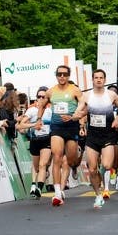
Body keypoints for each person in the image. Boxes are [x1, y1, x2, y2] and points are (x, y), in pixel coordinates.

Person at [84, 69, 118, 209]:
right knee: (92, 169)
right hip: (92, 136)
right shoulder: (86, 95)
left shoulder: (111, 94)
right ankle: (98, 195)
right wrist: (75, 116)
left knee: (107, 165)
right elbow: (80, 109)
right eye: (96, 77)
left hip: (108, 134)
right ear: (92, 80)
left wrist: (116, 120)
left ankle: (104, 179)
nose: (98, 80)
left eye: (101, 78)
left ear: (104, 80)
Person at [46, 65, 87, 207]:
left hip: (71, 127)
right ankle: (57, 192)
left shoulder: (74, 90)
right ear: (56, 75)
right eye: (59, 74)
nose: (62, 77)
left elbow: (84, 104)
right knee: (56, 157)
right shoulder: (51, 91)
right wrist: (39, 118)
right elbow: (41, 104)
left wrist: (78, 116)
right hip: (56, 127)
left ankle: (75, 164)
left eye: (64, 74)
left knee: (70, 160)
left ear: (68, 76)